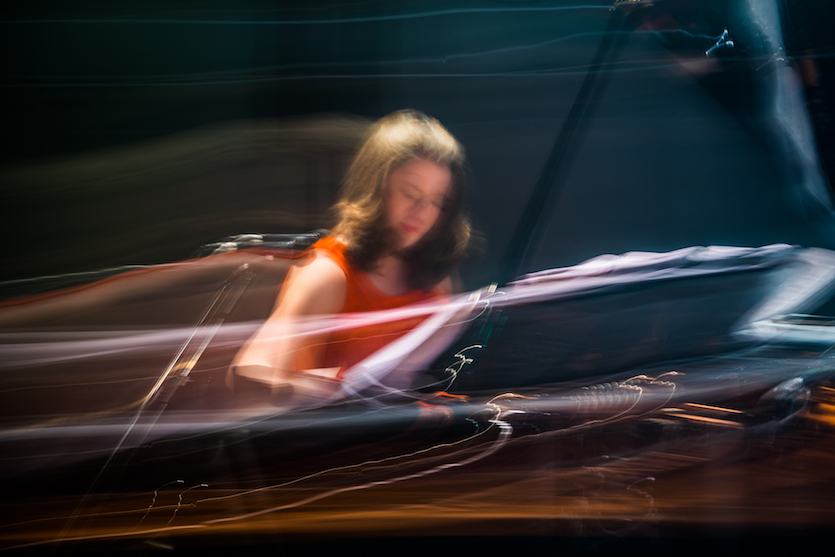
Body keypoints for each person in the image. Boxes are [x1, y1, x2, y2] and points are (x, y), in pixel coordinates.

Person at [229, 109, 471, 404]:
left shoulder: (436, 278)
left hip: (408, 438)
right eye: (409, 193)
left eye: (437, 201)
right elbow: (249, 374)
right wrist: (336, 389)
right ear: (376, 187)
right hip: (331, 441)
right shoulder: (328, 272)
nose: (422, 213)